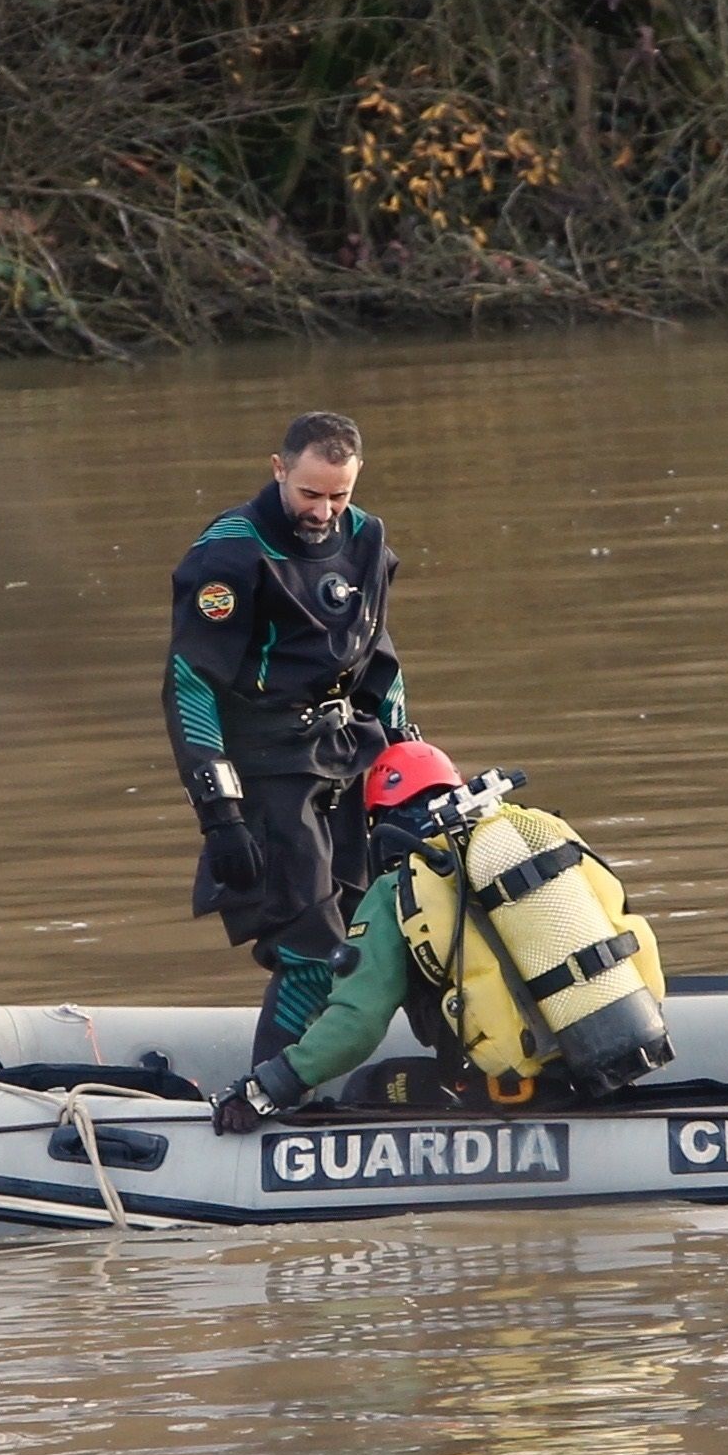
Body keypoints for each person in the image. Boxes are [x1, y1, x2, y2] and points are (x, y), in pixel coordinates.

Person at [211, 741, 670, 1133]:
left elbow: (356, 1025)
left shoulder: (400, 888)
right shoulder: (525, 849)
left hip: (505, 1096)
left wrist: (265, 1088)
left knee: (370, 1087)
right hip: (599, 1068)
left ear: (381, 823)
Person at [165, 410, 415, 1064]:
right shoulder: (231, 555)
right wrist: (219, 812)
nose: (324, 510)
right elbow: (190, 684)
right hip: (269, 771)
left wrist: (405, 755)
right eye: (310, 493)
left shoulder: (365, 539)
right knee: (310, 953)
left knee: (373, 933)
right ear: (279, 471)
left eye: (340, 494)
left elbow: (379, 660)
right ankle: (269, 1103)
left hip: (347, 759)